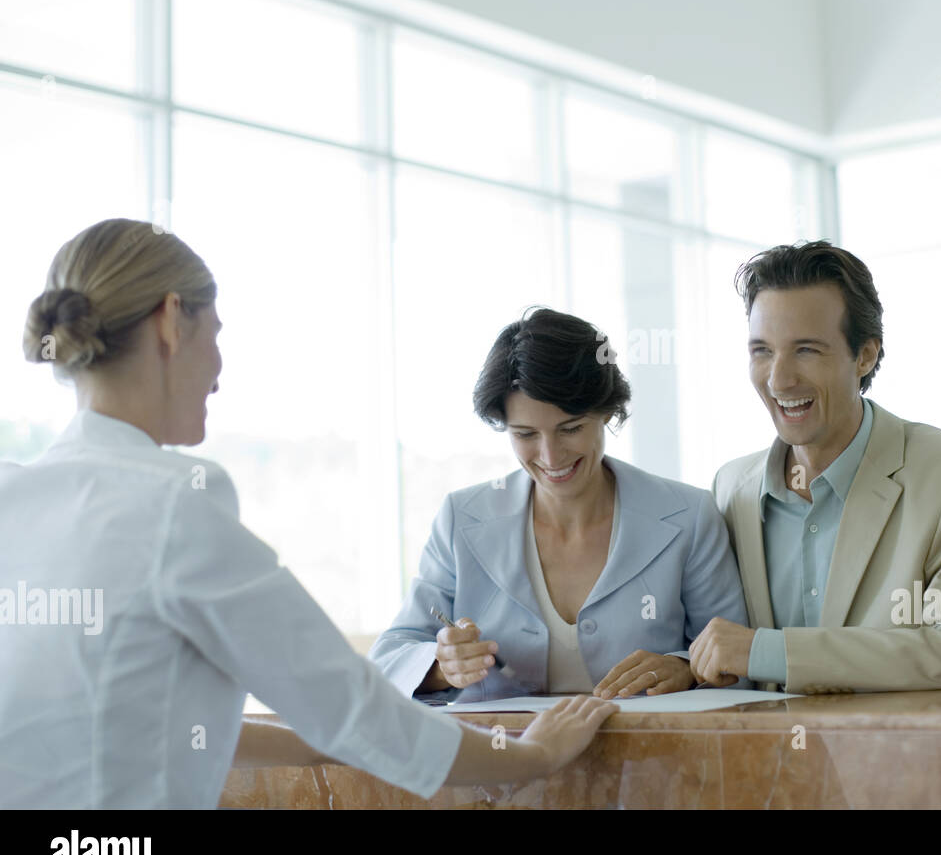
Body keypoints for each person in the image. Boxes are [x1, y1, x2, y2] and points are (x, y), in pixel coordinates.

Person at [0, 219, 615, 808]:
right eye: (216, 333)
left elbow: (151, 726)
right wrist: (532, 756)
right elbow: (355, 709)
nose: (218, 371)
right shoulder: (173, 504)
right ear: (169, 322)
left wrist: (335, 744)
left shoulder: (15, 495)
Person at [369, 308, 749, 702]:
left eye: (570, 429)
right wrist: (441, 664)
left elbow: (737, 660)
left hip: (651, 759)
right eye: (526, 434)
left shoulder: (690, 515)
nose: (550, 457)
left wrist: (686, 669)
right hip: (503, 757)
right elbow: (388, 659)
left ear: (607, 412)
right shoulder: (461, 518)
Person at [692, 240, 941, 694]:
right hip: (762, 763)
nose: (779, 379)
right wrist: (684, 663)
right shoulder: (731, 489)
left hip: (893, 761)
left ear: (864, 355)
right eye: (762, 351)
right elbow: (720, 642)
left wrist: (774, 653)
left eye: (806, 350)